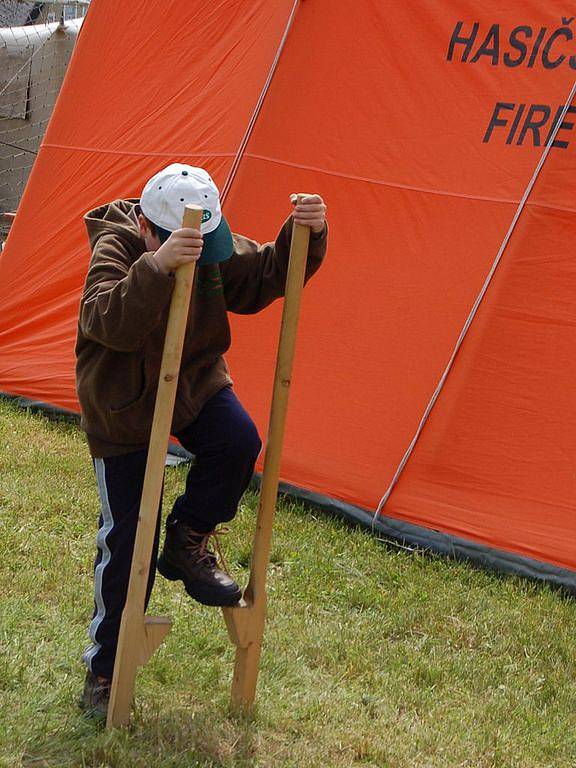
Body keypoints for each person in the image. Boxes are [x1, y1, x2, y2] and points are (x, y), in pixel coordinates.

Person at [75, 163, 327, 717]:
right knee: (126, 543)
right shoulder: (118, 245)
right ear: (146, 227)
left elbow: (262, 274)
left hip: (192, 380)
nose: (200, 253)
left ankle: (187, 538)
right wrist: (158, 266)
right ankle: (105, 670)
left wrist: (303, 234)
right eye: (184, 243)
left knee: (237, 441)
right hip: (126, 406)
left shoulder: (209, 243)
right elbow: (103, 319)